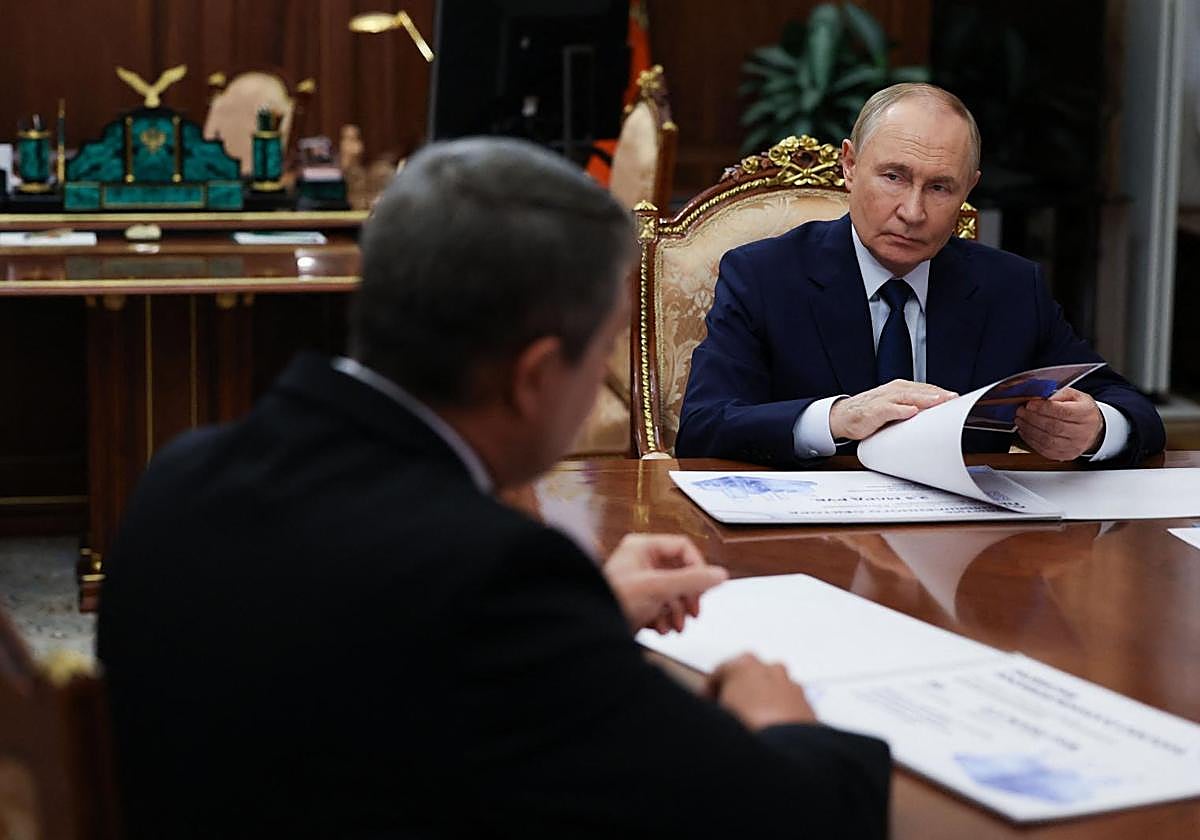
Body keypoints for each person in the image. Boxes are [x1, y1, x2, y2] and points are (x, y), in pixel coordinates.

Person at [97, 138, 890, 838]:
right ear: (536, 376)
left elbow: (355, 655)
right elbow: (789, 814)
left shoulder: (180, 475)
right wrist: (776, 715)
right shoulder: (490, 579)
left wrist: (580, 619)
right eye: (602, 355)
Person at [675, 83, 1164, 468]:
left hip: (965, 555)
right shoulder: (763, 276)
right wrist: (837, 417)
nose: (912, 211)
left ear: (968, 190)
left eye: (940, 187)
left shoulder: (1011, 289)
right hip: (811, 545)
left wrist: (1097, 428)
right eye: (894, 177)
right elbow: (703, 425)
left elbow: (1131, 407)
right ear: (849, 166)